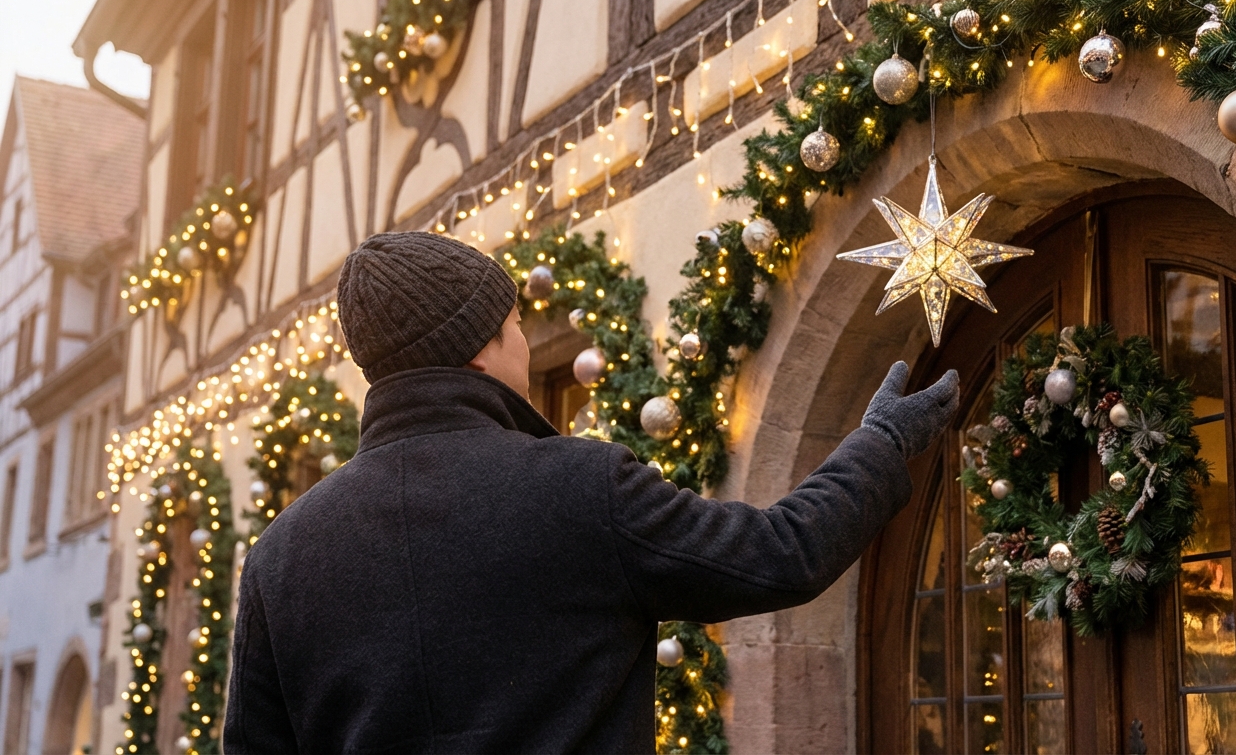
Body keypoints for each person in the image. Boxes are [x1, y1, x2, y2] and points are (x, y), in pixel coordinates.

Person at [223, 231, 960, 753]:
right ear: (481, 345)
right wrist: (883, 443)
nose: (520, 343)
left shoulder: (282, 555)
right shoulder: (578, 487)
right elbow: (780, 553)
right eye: (515, 325)